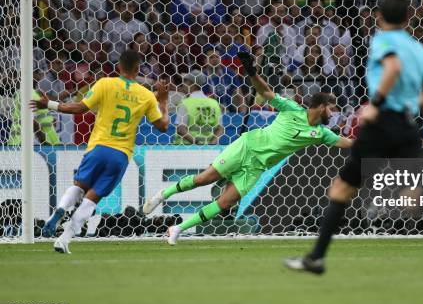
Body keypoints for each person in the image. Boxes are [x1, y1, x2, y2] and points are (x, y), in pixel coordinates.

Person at [285, 0, 423, 274]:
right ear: (408, 18)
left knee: (341, 189)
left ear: (379, 16)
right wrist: (407, 104)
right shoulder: (419, 49)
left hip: (380, 123)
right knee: (411, 197)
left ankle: (316, 258)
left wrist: (376, 105)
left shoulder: (382, 40)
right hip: (407, 126)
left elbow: (393, 67)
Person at [142, 52, 353, 245]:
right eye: (332, 109)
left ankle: (177, 229)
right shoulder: (292, 108)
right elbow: (266, 91)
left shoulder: (323, 133)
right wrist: (251, 72)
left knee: (226, 202)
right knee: (204, 179)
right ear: (321, 106)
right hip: (247, 146)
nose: (333, 114)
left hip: (257, 166)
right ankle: (163, 194)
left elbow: (348, 144)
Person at [33, 49, 170, 253]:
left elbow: (80, 108)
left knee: (78, 187)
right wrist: (164, 101)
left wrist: (50, 104)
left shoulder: (105, 83)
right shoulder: (146, 95)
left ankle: (60, 210)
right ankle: (63, 240)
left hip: (98, 147)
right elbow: (163, 126)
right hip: (120, 154)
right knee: (91, 199)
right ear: (138, 69)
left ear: (119, 67)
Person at [174, 73, 224, 145]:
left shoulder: (185, 103)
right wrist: (211, 145)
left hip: (185, 148)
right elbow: (220, 129)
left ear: (191, 83)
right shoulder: (214, 103)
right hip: (208, 148)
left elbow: (181, 129)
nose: (182, 85)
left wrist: (197, 144)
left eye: (185, 81)